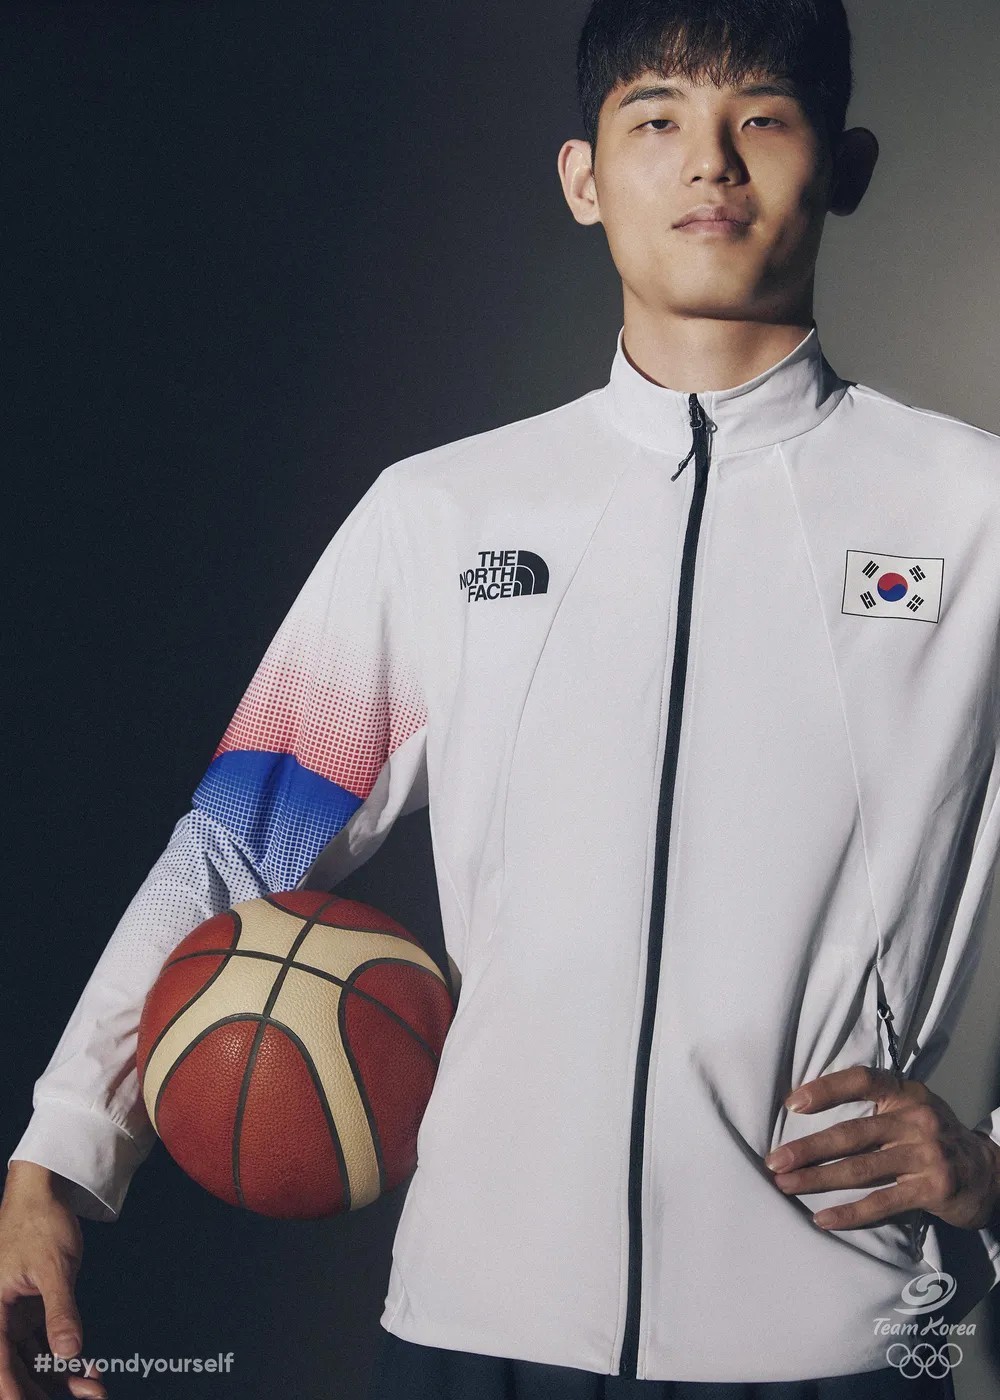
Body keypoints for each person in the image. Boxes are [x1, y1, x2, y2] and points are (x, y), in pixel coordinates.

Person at [3, 0, 1000, 1397]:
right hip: (475, 1322)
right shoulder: (440, 513)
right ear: (583, 177)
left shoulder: (972, 510)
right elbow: (240, 843)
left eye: (763, 117)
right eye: (656, 117)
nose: (709, 160)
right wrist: (61, 1154)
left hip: (834, 1336)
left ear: (845, 165)